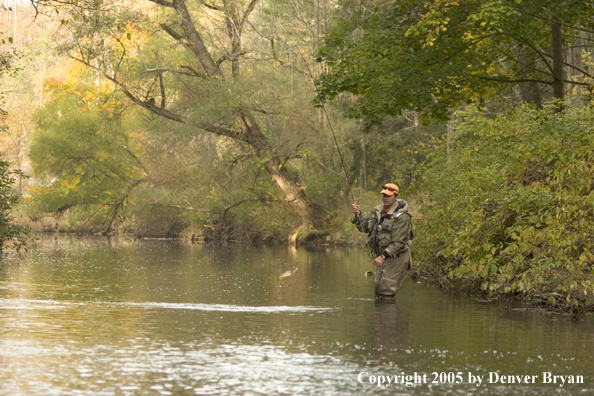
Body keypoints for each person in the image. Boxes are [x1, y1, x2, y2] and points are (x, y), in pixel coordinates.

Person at [351, 183, 413, 301]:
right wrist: (358, 215)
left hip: (396, 257)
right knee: (378, 289)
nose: (385, 198)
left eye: (388, 196)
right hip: (382, 256)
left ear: (395, 196)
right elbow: (365, 228)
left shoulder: (402, 217)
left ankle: (388, 318)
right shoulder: (378, 211)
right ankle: (381, 318)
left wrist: (382, 256)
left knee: (386, 291)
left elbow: (399, 243)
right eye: (384, 195)